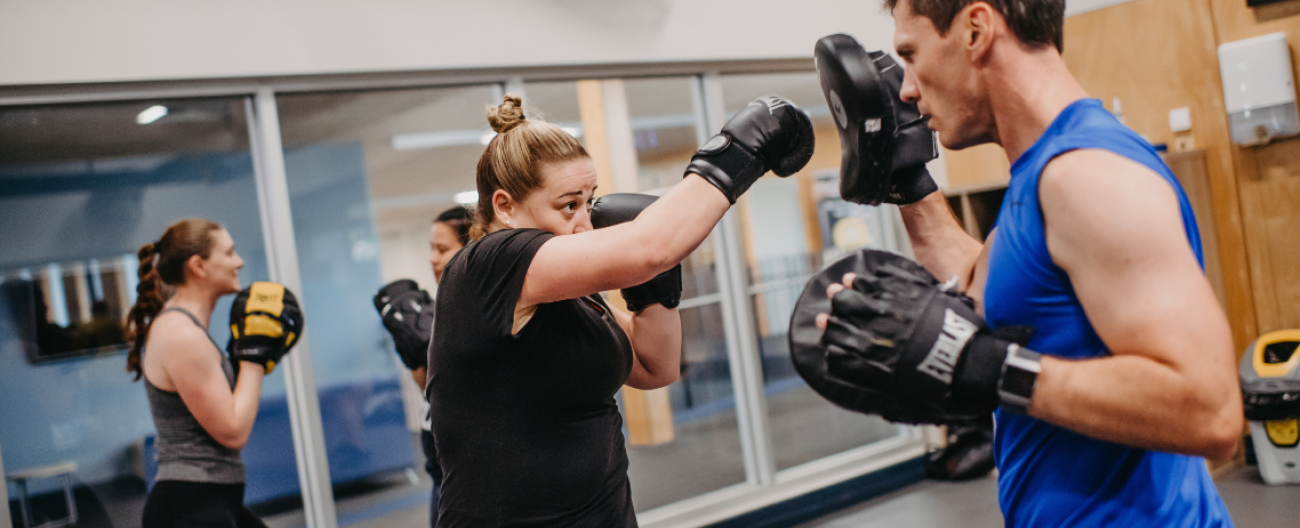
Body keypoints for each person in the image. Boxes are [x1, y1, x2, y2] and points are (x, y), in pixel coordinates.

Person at [813, 0, 1241, 525]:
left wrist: (989, 368)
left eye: (911, 53)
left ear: (976, 29)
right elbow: (990, 289)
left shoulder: (1086, 178)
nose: (905, 88)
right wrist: (907, 182)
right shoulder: (1040, 176)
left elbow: (1210, 411)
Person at [427, 94, 814, 526]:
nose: (585, 224)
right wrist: (742, 148)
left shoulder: (572, 296)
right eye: (568, 205)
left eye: (589, 201)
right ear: (504, 206)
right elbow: (650, 246)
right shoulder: (487, 265)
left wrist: (654, 288)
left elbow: (655, 366)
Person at [126, 219, 293, 528]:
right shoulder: (181, 334)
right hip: (189, 507)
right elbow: (232, 431)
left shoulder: (188, 329)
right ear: (198, 266)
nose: (239, 261)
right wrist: (254, 359)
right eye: (229, 253)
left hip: (210, 499)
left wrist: (245, 359)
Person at [375, 206, 472, 526]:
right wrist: (413, 351)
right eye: (431, 248)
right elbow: (431, 389)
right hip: (437, 445)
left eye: (442, 249)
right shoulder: (436, 311)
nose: (432, 258)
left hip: (472, 459)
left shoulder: (480, 313)